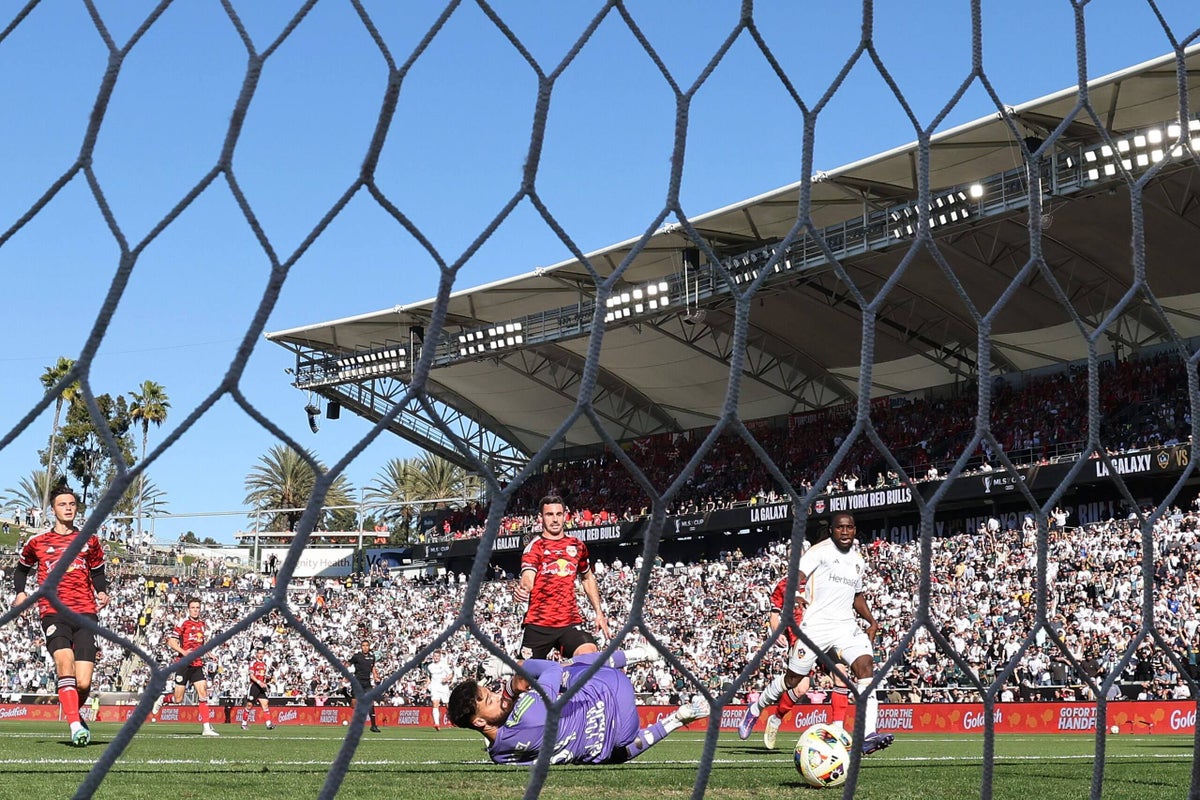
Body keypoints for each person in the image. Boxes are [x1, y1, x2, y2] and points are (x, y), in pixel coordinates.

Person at [739, 512, 893, 755]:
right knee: (793, 681)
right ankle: (757, 708)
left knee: (865, 669)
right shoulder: (819, 552)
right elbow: (797, 575)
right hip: (815, 627)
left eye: (849, 527)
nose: (845, 532)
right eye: (840, 527)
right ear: (831, 530)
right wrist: (798, 593)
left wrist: (871, 620)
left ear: (855, 530)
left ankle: (867, 734)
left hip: (845, 627)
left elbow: (857, 595)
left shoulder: (857, 561)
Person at [449, 649, 708, 764]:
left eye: (492, 691)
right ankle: (632, 655)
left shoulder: (499, 755)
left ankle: (677, 719)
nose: (497, 696)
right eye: (490, 699)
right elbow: (549, 669)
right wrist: (513, 683)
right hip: (614, 688)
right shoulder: (526, 711)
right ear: (479, 721)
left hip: (619, 739)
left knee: (608, 756)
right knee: (566, 668)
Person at [12, 486, 109, 747]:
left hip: (86, 613)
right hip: (53, 612)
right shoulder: (38, 542)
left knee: (84, 682)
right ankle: (75, 725)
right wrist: (20, 593)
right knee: (64, 663)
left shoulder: (89, 540)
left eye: (72, 504)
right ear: (53, 509)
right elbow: (21, 570)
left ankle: (73, 714)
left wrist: (102, 592)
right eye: (62, 504)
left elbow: (98, 571)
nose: (68, 507)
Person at [513, 495, 611, 660]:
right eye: (549, 514)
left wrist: (599, 612)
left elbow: (587, 577)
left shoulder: (577, 546)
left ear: (565, 516)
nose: (555, 519)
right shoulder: (535, 547)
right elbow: (528, 576)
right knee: (522, 683)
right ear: (540, 518)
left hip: (569, 622)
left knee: (589, 655)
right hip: (539, 623)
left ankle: (558, 677)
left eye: (559, 514)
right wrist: (523, 589)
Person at [153, 596, 220, 735]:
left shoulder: (202, 624)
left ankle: (206, 728)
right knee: (178, 699)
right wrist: (184, 652)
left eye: (197, 608)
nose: (195, 610)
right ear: (189, 609)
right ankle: (163, 698)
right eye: (193, 608)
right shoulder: (183, 622)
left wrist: (209, 654)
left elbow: (201, 644)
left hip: (197, 664)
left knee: (203, 694)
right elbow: (171, 641)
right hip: (183, 664)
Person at [348, 639, 381, 732]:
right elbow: (348, 663)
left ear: (369, 646)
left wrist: (375, 676)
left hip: (367, 683)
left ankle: (373, 725)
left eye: (367, 645)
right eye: (363, 645)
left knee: (371, 703)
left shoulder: (372, 657)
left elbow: (373, 667)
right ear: (361, 647)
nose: (365, 647)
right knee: (353, 705)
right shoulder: (357, 656)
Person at [242, 646, 274, 730]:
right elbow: (251, 676)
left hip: (261, 687)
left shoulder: (264, 665)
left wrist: (267, 679)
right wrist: (259, 682)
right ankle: (244, 723)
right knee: (249, 705)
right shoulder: (253, 663)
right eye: (259, 653)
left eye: (262, 653)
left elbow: (264, 677)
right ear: (256, 654)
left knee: (265, 704)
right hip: (254, 686)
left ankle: (268, 724)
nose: (260, 655)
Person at [427, 651, 453, 731]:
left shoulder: (444, 665)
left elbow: (451, 674)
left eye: (438, 656)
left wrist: (446, 679)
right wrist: (427, 685)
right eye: (435, 656)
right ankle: (437, 724)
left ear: (440, 657)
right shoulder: (430, 666)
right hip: (434, 687)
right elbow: (429, 676)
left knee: (447, 705)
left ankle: (452, 719)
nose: (436, 658)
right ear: (433, 657)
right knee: (435, 704)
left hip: (443, 687)